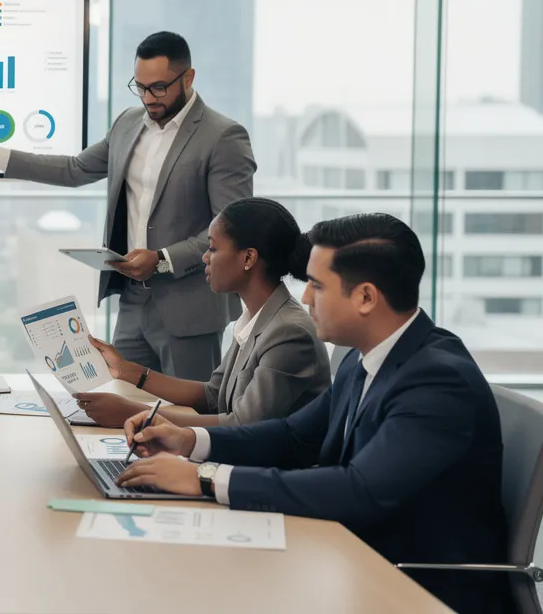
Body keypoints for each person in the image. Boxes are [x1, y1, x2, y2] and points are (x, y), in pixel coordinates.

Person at [114, 214, 509, 613]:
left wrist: (204, 478)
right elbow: (292, 435)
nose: (305, 299)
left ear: (366, 297)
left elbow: (359, 491)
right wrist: (190, 441)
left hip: (416, 589)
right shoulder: (363, 357)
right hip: (353, 557)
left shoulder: (437, 382)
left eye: (317, 286)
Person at [0, 31, 255, 381]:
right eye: (140, 86)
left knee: (188, 416)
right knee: (128, 406)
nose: (148, 97)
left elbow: (233, 227)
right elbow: (75, 169)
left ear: (188, 77)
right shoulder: (127, 123)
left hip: (189, 305)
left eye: (159, 88)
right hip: (133, 301)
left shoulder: (223, 136)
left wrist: (163, 259)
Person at [74, 197, 330, 428]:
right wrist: (125, 370)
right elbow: (213, 395)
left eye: (214, 248)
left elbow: (242, 425)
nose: (205, 258)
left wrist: (136, 414)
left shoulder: (289, 332)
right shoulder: (255, 317)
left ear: (248, 258)